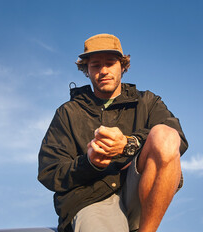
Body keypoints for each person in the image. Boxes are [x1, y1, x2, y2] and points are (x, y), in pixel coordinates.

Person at [38, 33, 188, 232]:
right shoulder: (68, 113)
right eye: (95, 65)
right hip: (90, 198)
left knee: (166, 135)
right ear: (86, 70)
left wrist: (129, 144)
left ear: (123, 66)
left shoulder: (149, 102)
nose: (104, 71)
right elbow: (49, 172)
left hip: (139, 191)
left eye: (110, 63)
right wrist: (89, 162)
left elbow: (178, 139)